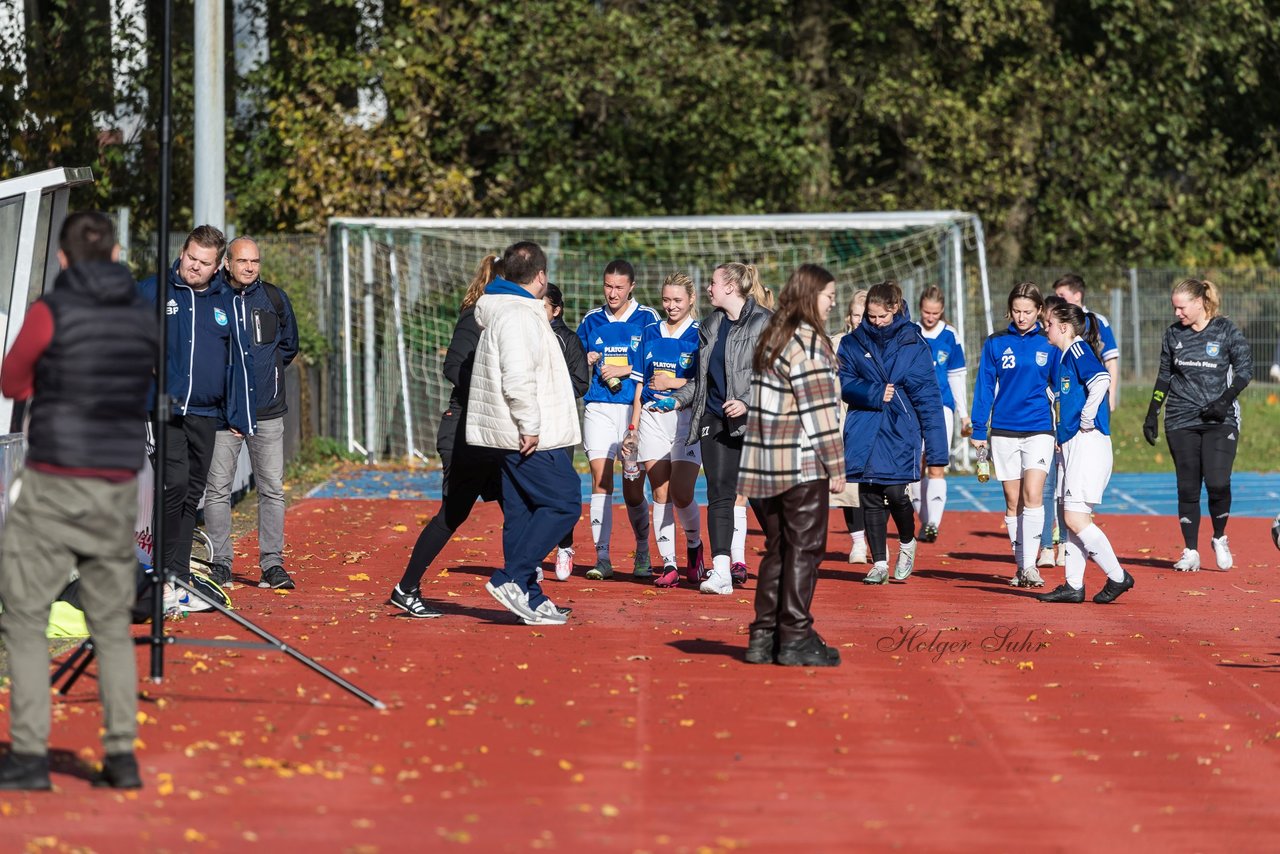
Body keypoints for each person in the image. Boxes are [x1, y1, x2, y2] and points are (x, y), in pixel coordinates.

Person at [0, 212, 157, 790]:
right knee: (111, 621)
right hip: (115, 482)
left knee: (23, 611)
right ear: (116, 254)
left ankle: (30, 756)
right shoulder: (142, 315)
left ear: (62, 260)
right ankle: (121, 757)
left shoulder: (51, 311)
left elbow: (12, 380)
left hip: (54, 478)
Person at [139, 225, 256, 612]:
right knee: (172, 486)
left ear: (218, 265)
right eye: (191, 258)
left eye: (204, 263)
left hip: (207, 412)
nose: (195, 267)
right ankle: (164, 577)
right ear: (182, 252)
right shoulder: (157, 290)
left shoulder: (227, 300)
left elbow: (238, 361)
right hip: (167, 409)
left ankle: (179, 577)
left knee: (191, 494)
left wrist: (238, 412)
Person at [738, 264, 844, 666]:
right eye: (828, 296)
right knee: (805, 549)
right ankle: (795, 634)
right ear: (809, 295)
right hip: (800, 461)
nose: (832, 304)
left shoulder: (773, 335)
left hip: (766, 458)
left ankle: (764, 635)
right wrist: (836, 465)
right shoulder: (809, 341)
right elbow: (819, 411)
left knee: (779, 548)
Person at [388, 255, 506, 618]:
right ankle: (406, 588)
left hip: (493, 433)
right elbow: (452, 367)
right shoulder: (475, 318)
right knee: (453, 514)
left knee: (521, 508)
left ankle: (523, 587)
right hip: (463, 432)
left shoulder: (508, 321)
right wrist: (488, 389)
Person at [469, 241, 580, 625]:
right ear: (540, 277)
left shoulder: (507, 309)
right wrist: (529, 425)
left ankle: (530, 597)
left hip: (509, 433)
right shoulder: (517, 314)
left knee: (521, 512)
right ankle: (512, 578)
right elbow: (517, 377)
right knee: (564, 502)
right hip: (528, 434)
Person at [667, 263, 772, 594]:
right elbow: (701, 380)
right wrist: (676, 400)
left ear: (730, 287)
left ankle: (788, 555)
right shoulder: (711, 324)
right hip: (714, 419)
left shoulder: (765, 322)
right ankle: (722, 570)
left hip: (753, 422)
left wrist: (746, 401)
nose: (708, 289)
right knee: (719, 494)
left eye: (712, 283)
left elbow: (775, 376)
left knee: (763, 497)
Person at [202, 237, 299, 590]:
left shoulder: (273, 298)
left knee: (272, 489)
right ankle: (220, 563)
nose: (249, 267)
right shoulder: (212, 298)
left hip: (268, 413)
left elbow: (288, 347)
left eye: (255, 261)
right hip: (223, 415)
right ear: (227, 263)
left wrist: (265, 378)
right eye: (242, 261)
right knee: (217, 490)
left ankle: (272, 564)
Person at [839, 280, 949, 585]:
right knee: (870, 495)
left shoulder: (914, 344)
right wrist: (873, 392)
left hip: (901, 429)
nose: (875, 322)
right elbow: (844, 383)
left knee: (896, 493)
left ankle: (906, 542)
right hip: (864, 427)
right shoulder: (852, 343)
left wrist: (937, 452)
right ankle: (879, 563)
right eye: (870, 316)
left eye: (881, 317)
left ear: (895, 310)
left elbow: (929, 398)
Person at [1142, 278, 1252, 571]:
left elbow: (1244, 372)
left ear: (1200, 302)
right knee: (1187, 487)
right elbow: (1164, 376)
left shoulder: (1226, 330)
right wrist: (1153, 411)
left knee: (1217, 482)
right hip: (1180, 419)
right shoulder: (1172, 335)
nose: (1177, 313)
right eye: (1174, 308)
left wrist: (1224, 401)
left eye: (1181, 307)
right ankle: (1190, 550)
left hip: (1220, 419)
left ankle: (1219, 536)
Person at [1037, 302, 1134, 604]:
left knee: (1077, 519)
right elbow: (1064, 394)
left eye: (1049, 324)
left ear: (1064, 327)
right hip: (1073, 445)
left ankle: (1118, 576)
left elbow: (1102, 380)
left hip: (1088, 445)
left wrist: (1087, 417)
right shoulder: (1066, 356)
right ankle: (1073, 585)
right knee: (1070, 518)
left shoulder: (1078, 351)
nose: (1046, 329)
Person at [576, 260, 661, 580]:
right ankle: (602, 558)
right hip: (598, 407)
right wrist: (588, 359)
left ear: (632, 287)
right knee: (600, 481)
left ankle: (642, 550)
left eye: (619, 287)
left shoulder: (647, 318)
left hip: (633, 410)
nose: (612, 293)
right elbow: (577, 359)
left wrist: (625, 370)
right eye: (608, 286)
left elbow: (657, 363)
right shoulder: (592, 319)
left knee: (633, 489)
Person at [969, 282, 1055, 588]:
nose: (1022, 317)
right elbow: (984, 388)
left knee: (1034, 495)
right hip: (1004, 430)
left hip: (1039, 428)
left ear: (1039, 311)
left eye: (1028, 312)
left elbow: (1061, 386)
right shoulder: (995, 343)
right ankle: (1020, 567)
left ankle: (1031, 566)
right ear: (1009, 310)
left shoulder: (1049, 343)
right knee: (1012, 501)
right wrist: (979, 428)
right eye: (1017, 311)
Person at [634, 272, 703, 587]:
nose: (671, 305)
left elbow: (706, 384)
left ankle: (694, 545)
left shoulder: (701, 334)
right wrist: (632, 427)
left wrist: (673, 383)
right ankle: (669, 565)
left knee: (682, 492)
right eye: (666, 299)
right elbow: (639, 386)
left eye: (678, 300)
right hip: (651, 417)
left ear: (690, 300)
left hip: (686, 421)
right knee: (659, 491)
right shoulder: (649, 332)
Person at [914, 285, 970, 543]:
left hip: (941, 409)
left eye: (935, 313)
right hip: (913, 408)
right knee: (916, 466)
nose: (930, 317)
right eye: (926, 312)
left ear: (942, 311)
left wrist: (963, 414)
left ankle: (933, 523)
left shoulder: (950, 336)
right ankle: (923, 518)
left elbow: (957, 376)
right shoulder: (911, 331)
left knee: (936, 465)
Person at [545, 282, 589, 580]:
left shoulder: (568, 340)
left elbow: (580, 382)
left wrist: (549, 390)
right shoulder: (524, 336)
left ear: (556, 310)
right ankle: (532, 557)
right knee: (528, 491)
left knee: (560, 489)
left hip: (559, 425)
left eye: (543, 307)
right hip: (527, 425)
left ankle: (565, 547)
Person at [830, 291, 867, 562]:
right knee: (849, 486)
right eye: (856, 315)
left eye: (865, 315)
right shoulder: (836, 344)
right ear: (848, 317)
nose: (860, 320)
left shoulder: (883, 345)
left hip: (874, 420)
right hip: (844, 420)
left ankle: (876, 537)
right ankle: (858, 541)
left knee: (879, 485)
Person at [1036, 294, 1070, 568]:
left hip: (1066, 428)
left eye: (1050, 321)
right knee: (1047, 489)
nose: (1046, 326)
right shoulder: (1040, 344)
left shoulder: (1070, 350)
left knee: (1066, 490)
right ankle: (1047, 546)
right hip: (1044, 426)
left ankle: (1067, 545)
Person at [1053, 274, 1120, 410]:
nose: (1057, 299)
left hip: (1091, 395)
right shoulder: (1053, 324)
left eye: (1061, 295)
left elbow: (1110, 362)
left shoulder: (1097, 321)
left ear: (1077, 295)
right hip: (1062, 392)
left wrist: (1111, 396)